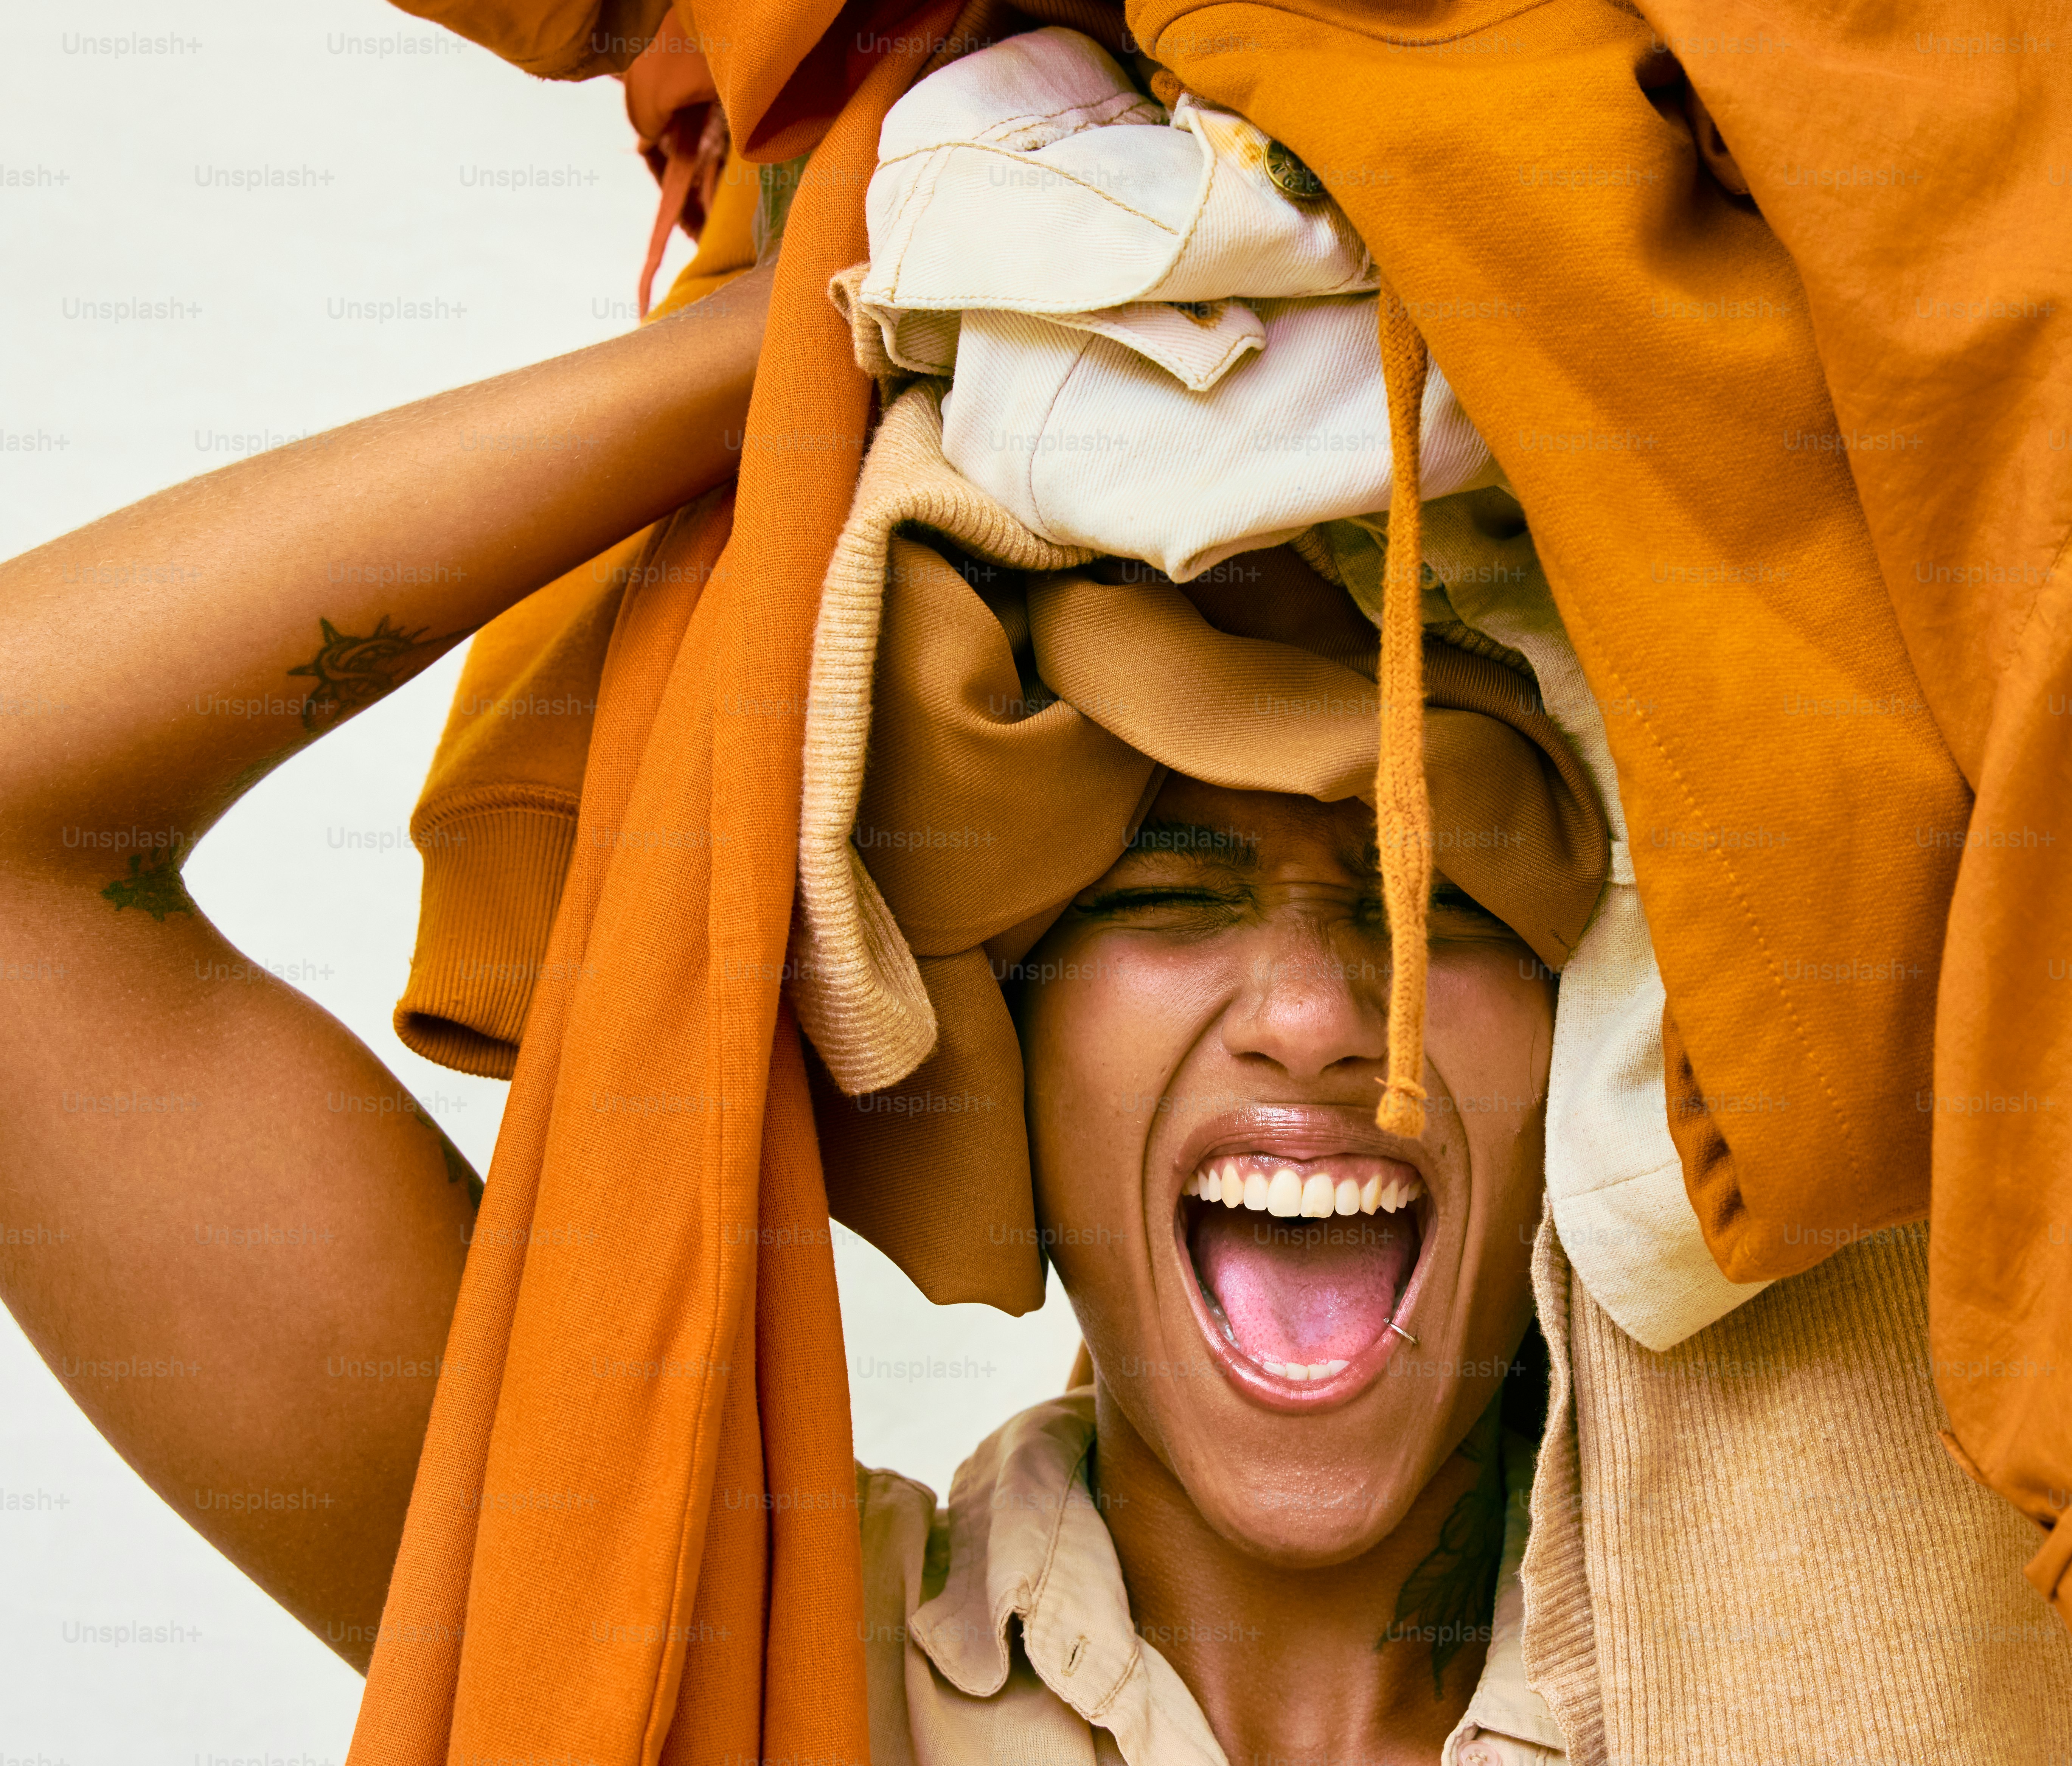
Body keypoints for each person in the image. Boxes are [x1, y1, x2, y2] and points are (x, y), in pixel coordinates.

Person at [0, 265, 1573, 1764]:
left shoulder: (1732, 1647)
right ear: (1004, 1069)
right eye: (1167, 897)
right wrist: (842, 309)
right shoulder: (713, 1654)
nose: (1310, 1014)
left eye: (1445, 900)